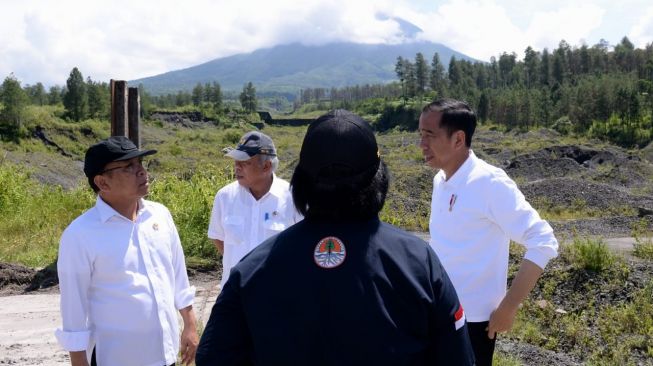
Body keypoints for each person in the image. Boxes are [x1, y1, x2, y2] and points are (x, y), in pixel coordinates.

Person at [196, 110, 475, 365]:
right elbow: (458, 358)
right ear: (379, 179)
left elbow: (213, 357)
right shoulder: (418, 262)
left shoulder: (252, 269)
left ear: (301, 182)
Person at [419, 98, 559, 365]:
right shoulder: (441, 180)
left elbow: (543, 241)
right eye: (420, 134)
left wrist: (509, 307)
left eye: (429, 135)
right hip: (438, 312)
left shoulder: (489, 183)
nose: (422, 144)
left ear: (458, 139)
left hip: (473, 324)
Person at [55, 136, 198, 366]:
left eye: (140, 164)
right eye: (128, 167)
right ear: (103, 182)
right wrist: (78, 361)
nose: (141, 171)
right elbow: (74, 310)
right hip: (116, 358)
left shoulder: (160, 215)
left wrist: (190, 325)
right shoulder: (80, 235)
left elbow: (178, 276)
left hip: (165, 354)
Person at [208, 131, 301, 288]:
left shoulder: (293, 198)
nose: (237, 167)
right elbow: (218, 238)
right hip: (234, 296)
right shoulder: (225, 197)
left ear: (266, 166)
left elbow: (302, 247)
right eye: (236, 162)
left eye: (244, 163)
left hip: (277, 294)